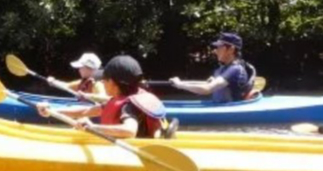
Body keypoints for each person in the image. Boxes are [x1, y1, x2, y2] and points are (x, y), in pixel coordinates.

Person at [37, 55, 176, 139]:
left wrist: (93, 127)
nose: (102, 82)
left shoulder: (128, 106)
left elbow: (130, 130)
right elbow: (86, 111)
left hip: (136, 150)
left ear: (114, 83)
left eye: (105, 80)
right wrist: (52, 110)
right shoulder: (126, 97)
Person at [168, 32, 257, 102]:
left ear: (231, 49)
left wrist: (180, 85)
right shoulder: (222, 69)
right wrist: (180, 83)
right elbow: (207, 84)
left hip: (230, 112)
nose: (215, 51)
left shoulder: (235, 70)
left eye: (219, 47)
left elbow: (207, 89)